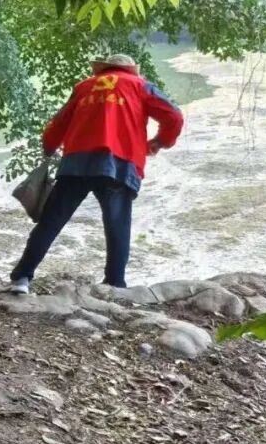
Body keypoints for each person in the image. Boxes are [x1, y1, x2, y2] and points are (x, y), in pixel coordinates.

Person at [10, 53, 185, 294]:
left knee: (51, 221)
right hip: (120, 162)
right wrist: (160, 141)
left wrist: (49, 148)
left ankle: (22, 279)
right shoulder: (139, 85)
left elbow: (57, 124)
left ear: (103, 69)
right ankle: (114, 285)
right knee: (117, 224)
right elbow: (174, 116)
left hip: (76, 162)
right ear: (131, 69)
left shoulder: (84, 87)